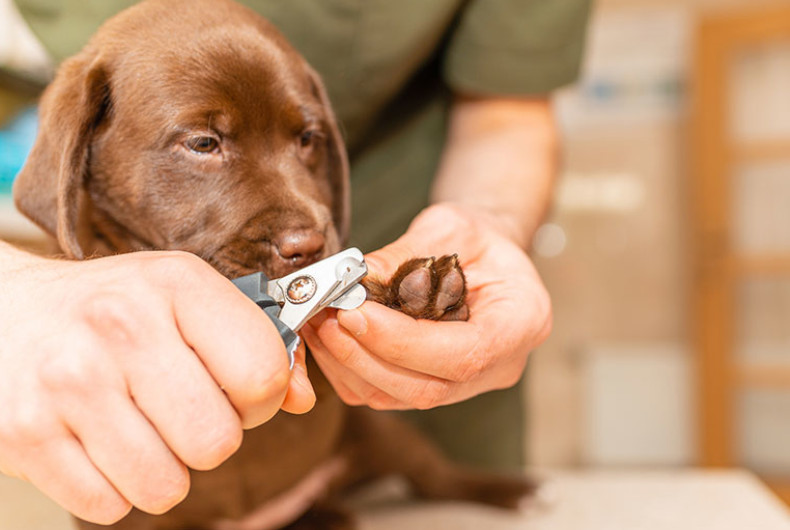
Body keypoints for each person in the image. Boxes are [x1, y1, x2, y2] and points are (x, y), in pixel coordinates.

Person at [2, 0, 591, 524]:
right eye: (205, 143)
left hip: (368, 404)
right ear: (80, 149)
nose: (302, 225)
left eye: (305, 140)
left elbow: (507, 110)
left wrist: (487, 227)